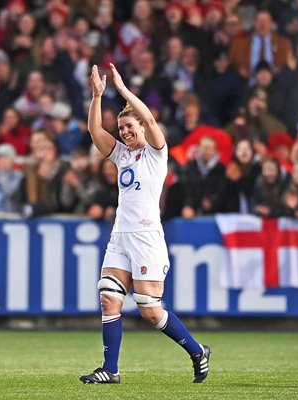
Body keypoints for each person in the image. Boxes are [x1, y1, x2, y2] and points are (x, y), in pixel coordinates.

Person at [79, 64, 210, 385]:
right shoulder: (121, 155)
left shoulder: (156, 153)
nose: (125, 132)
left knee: (149, 309)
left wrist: (122, 91)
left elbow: (150, 120)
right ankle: (110, 369)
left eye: (129, 127)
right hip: (120, 236)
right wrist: (97, 96)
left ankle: (197, 351)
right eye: (121, 128)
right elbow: (96, 132)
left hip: (147, 237)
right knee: (108, 294)